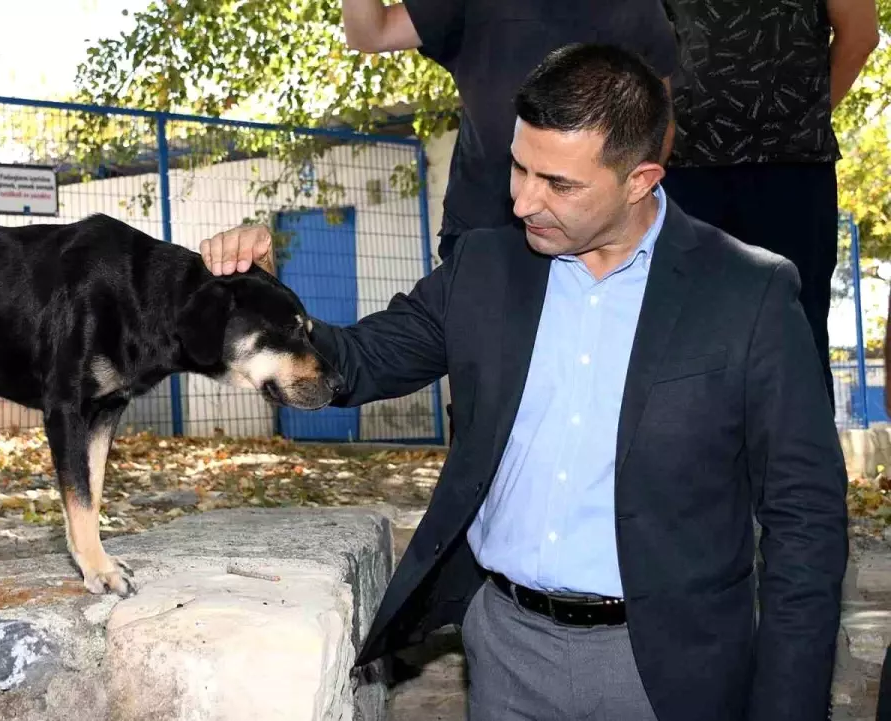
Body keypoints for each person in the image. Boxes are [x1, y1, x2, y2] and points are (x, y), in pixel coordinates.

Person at [200, 43, 849, 721]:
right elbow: (353, 363)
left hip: (671, 667)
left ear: (641, 178)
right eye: (519, 165)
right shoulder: (485, 266)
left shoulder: (748, 291)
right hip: (505, 652)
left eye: (558, 183)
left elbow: (806, 519)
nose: (522, 199)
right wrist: (259, 294)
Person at [658, 0, 880, 408]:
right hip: (683, 172)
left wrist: (799, 119)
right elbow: (645, 43)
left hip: (788, 172)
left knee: (791, 335)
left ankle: (800, 471)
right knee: (683, 345)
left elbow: (861, 34)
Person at [340, 0, 680, 262]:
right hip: (486, 223)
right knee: (479, 348)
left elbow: (658, 123)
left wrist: (619, 212)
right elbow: (372, 33)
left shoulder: (634, 7)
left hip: (592, 240)